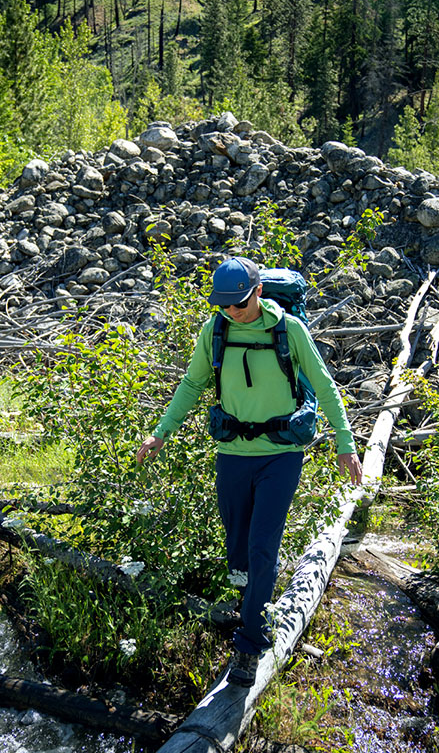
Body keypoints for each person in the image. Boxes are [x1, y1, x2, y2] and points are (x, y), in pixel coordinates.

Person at [136, 256, 363, 687]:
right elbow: (192, 384)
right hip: (232, 453)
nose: (230, 311)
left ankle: (249, 643)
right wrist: (161, 434)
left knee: (262, 546)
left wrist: (344, 444)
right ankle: (254, 604)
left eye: (237, 303)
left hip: (281, 454)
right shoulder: (216, 330)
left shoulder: (289, 330)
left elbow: (326, 385)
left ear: (258, 292)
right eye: (223, 303)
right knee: (237, 548)